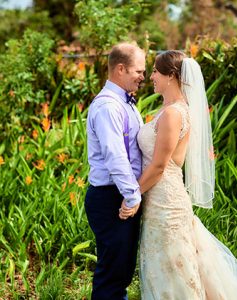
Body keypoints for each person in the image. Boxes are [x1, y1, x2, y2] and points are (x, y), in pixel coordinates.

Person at [120, 50, 237, 299]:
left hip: (166, 202)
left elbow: (159, 166)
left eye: (155, 71)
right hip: (160, 199)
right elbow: (172, 160)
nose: (151, 76)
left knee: (172, 269)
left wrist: (131, 195)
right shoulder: (170, 109)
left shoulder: (174, 113)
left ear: (172, 76)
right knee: (164, 267)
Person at [85, 42, 145, 300]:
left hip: (119, 195)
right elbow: (115, 156)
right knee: (112, 275)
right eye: (138, 71)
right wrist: (132, 196)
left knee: (120, 272)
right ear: (121, 69)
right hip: (112, 198)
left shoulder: (125, 102)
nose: (143, 77)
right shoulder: (109, 106)